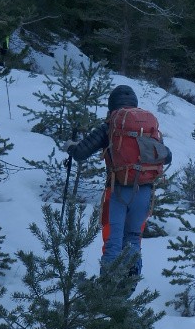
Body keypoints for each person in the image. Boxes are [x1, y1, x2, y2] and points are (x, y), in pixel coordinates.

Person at [66, 85, 172, 278]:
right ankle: (129, 282)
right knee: (133, 237)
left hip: (117, 191)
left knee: (114, 241)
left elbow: (81, 153)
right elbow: (167, 156)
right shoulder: (147, 129)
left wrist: (71, 147)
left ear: (111, 105)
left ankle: (108, 287)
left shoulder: (110, 126)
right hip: (144, 191)